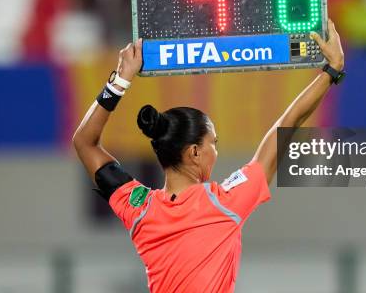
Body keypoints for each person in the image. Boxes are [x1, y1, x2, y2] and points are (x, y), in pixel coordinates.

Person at [72, 19, 345, 292]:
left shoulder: (139, 208)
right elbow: (288, 125)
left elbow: (85, 143)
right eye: (213, 143)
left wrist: (119, 81)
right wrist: (331, 70)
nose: (216, 150)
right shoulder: (222, 203)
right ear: (194, 152)